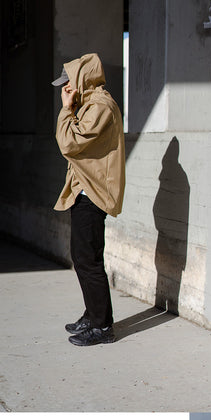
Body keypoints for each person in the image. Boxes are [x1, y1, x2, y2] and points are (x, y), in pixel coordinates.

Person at [52, 53, 126, 346]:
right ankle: (93, 314)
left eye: (68, 84)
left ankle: (102, 326)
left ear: (82, 79)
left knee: (88, 260)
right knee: (83, 258)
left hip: (94, 192)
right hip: (85, 189)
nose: (66, 90)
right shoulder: (90, 104)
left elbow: (69, 143)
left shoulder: (100, 106)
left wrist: (65, 109)